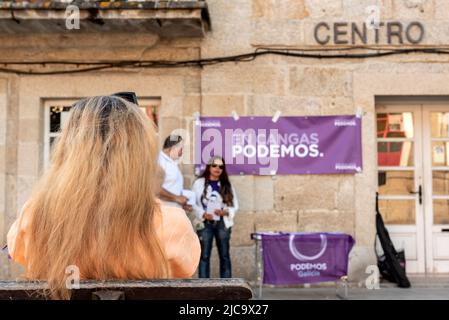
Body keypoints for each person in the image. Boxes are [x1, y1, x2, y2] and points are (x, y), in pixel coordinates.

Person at [6, 96, 200, 299]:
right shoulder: (172, 223)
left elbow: (18, 251)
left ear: (68, 149)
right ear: (141, 152)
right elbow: (185, 268)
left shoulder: (35, 213)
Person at [192, 156, 239, 278]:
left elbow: (235, 206)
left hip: (222, 224)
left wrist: (225, 211)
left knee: (224, 255)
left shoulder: (227, 185)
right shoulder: (198, 183)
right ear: (209, 167)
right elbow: (192, 204)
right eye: (214, 165)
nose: (217, 168)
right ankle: (203, 287)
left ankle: (227, 287)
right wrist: (202, 213)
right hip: (204, 223)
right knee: (204, 256)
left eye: (221, 166)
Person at [158, 135, 192, 212]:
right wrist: (176, 198)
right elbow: (154, 188)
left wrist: (182, 203)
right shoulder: (159, 161)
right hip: (163, 212)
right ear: (174, 147)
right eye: (181, 149)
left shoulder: (171, 163)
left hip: (172, 212)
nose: (182, 152)